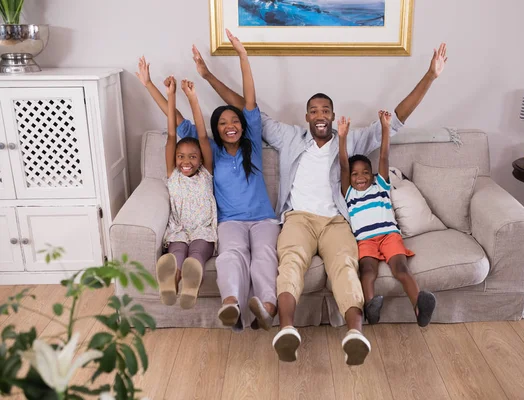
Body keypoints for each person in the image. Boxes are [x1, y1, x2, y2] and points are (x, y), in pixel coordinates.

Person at [189, 39, 448, 364]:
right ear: (306, 117)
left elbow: (395, 119)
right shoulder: (289, 136)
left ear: (334, 115)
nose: (320, 115)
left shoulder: (350, 137)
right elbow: (247, 108)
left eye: (326, 110)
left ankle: (355, 333)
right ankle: (286, 330)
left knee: (344, 266)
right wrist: (208, 75)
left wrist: (431, 75)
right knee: (291, 263)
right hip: (297, 218)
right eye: (314, 110)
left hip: (336, 222)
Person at [136, 31, 280, 331]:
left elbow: (249, 100)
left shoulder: (251, 142)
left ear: (243, 126)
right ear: (216, 129)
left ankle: (266, 308)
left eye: (235, 121)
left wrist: (243, 56)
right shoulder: (208, 153)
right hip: (228, 223)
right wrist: (149, 84)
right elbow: (175, 118)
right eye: (224, 123)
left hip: (264, 220)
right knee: (230, 255)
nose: (231, 126)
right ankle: (231, 304)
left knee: (264, 255)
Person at [338, 111, 436, 326]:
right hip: (365, 240)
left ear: (373, 175)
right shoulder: (349, 193)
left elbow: (384, 157)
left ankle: (420, 309)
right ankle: (371, 309)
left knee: (401, 268)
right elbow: (344, 165)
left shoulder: (380, 187)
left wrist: (385, 128)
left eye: (365, 172)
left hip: (389, 235)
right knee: (368, 270)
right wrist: (342, 137)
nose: (360, 177)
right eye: (355, 175)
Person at [153, 75, 217, 310]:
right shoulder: (173, 175)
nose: (186, 161)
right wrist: (171, 96)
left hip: (203, 229)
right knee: (177, 252)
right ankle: (170, 280)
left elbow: (202, 135)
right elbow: (171, 135)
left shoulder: (206, 173)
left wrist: (192, 99)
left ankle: (191, 281)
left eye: (192, 156)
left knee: (197, 252)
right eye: (181, 156)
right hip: (178, 229)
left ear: (201, 159)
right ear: (175, 159)